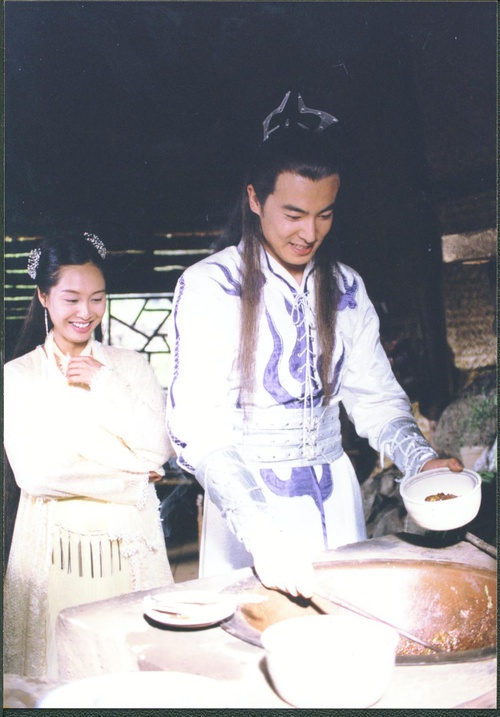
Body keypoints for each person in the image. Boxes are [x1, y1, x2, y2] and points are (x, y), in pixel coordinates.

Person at [166, 92, 463, 599]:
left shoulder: (345, 286)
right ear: (255, 199)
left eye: (325, 214)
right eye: (293, 214)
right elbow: (199, 427)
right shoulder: (210, 286)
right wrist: (262, 534)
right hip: (247, 509)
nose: (309, 233)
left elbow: (376, 399)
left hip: (334, 496)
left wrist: (420, 460)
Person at [3, 232, 174, 680]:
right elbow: (37, 473)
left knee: (129, 672)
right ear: (43, 297)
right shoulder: (19, 376)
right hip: (52, 553)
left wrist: (105, 384)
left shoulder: (130, 367)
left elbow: (159, 448)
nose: (86, 312)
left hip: (130, 546)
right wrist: (133, 476)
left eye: (97, 298)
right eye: (71, 299)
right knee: (57, 678)